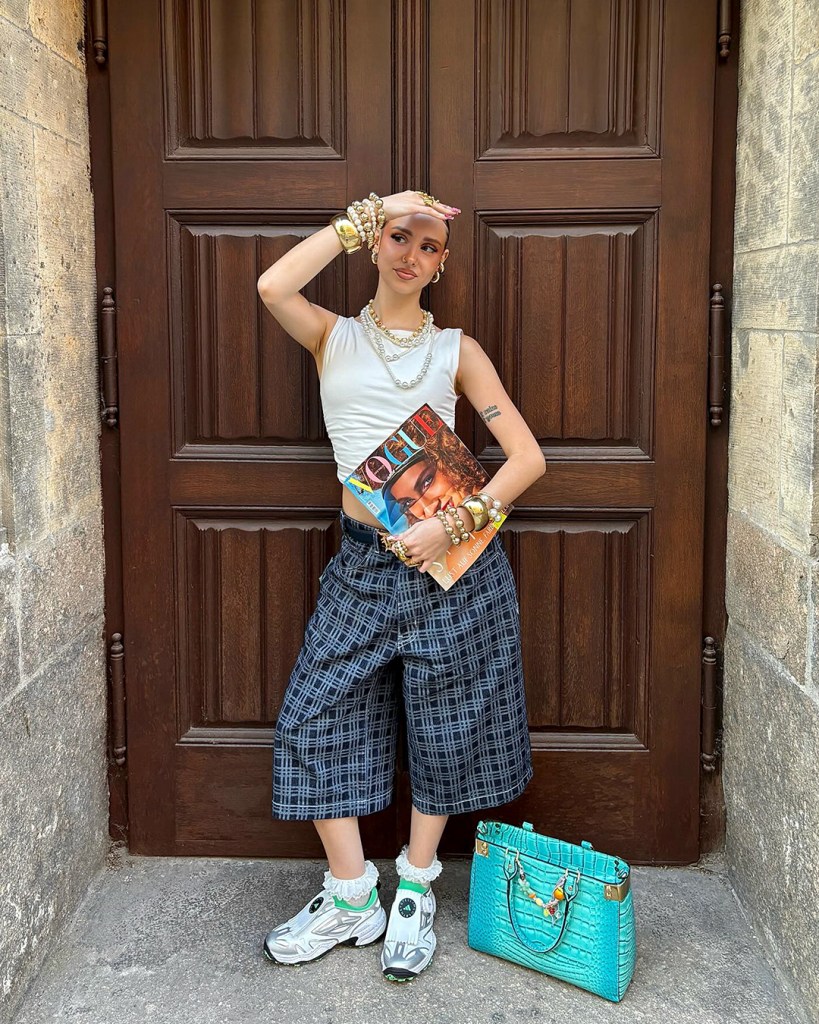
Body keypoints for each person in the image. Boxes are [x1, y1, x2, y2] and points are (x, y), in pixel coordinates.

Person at [256, 189, 546, 982]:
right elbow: (273, 286)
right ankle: (352, 896)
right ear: (373, 243)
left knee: (446, 731)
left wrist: (452, 525)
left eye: (427, 246)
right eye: (397, 237)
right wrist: (366, 213)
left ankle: (414, 888)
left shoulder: (456, 350)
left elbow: (526, 459)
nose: (410, 254)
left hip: (452, 568)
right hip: (360, 562)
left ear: (441, 265)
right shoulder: (332, 336)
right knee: (311, 718)